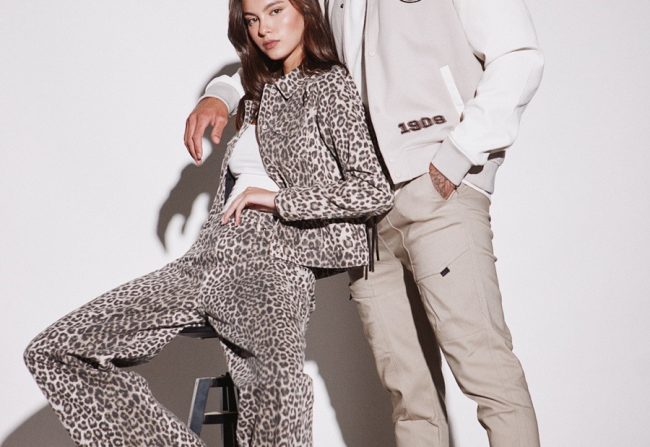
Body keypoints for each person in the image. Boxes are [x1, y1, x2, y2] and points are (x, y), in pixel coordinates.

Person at [23, 0, 393, 445]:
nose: (264, 29)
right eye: (253, 20)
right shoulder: (257, 92)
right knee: (56, 351)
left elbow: (373, 189)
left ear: (305, 11)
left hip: (271, 261)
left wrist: (279, 200)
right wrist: (214, 95)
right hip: (207, 256)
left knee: (277, 388)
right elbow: (231, 80)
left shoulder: (330, 86)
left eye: (276, 11)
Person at [187, 0, 545, 446]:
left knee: (486, 372)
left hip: (435, 191)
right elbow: (281, 42)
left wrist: (458, 155)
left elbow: (518, 56)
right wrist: (220, 93)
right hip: (363, 219)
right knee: (409, 397)